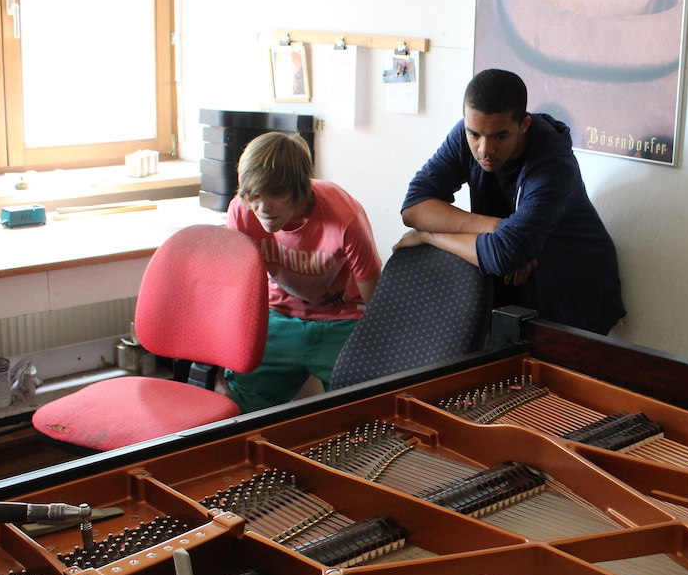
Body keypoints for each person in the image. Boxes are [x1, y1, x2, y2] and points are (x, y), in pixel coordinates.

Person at [398, 69, 625, 335]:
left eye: (500, 136)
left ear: (524, 125)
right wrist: (494, 227)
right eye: (474, 134)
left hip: (573, 288)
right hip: (515, 285)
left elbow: (505, 255)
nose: (484, 149)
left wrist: (429, 236)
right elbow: (414, 207)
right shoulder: (466, 134)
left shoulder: (554, 165)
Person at [223, 132, 381, 412]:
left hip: (343, 318)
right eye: (255, 194)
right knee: (237, 404)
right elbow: (238, 291)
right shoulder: (241, 211)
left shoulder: (345, 217)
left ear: (300, 188)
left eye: (276, 194)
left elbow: (377, 304)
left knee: (362, 408)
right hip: (278, 314)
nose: (263, 208)